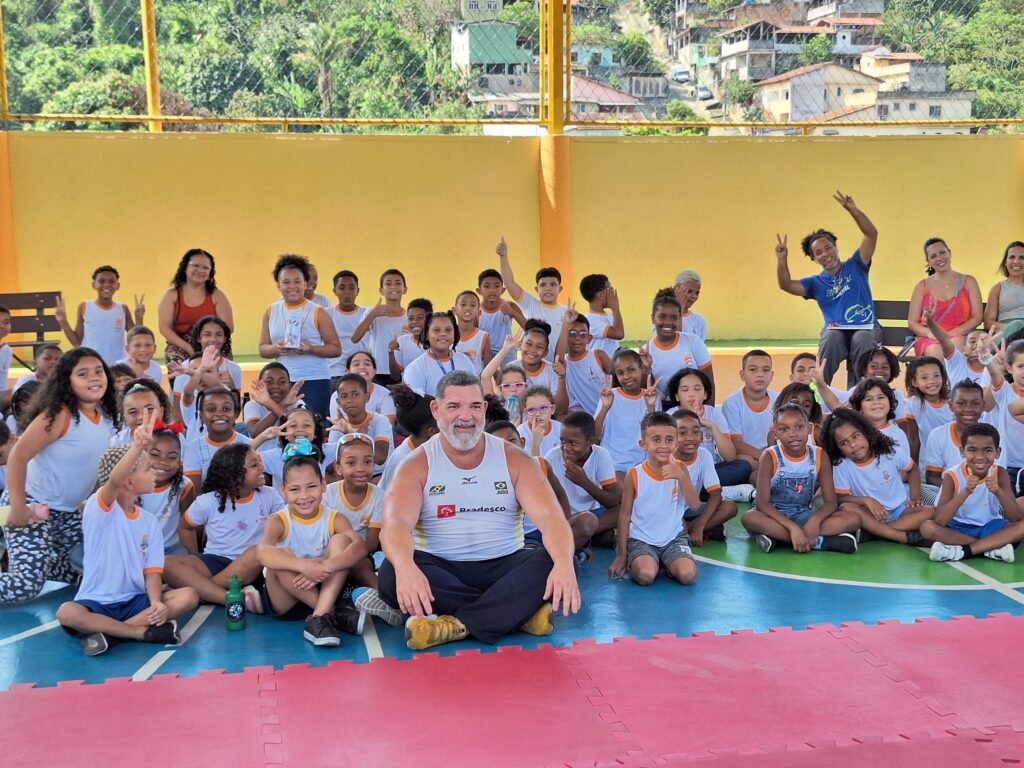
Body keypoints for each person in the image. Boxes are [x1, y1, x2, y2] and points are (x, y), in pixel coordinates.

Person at [378, 370, 581, 651]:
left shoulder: (516, 460)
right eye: (454, 406)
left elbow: (551, 518)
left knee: (558, 560)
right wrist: (405, 567)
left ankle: (454, 626)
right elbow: (395, 524)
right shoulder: (415, 465)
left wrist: (563, 565)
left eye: (474, 406)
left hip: (505, 564)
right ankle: (516, 615)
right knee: (391, 573)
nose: (466, 416)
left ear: (485, 409)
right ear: (436, 410)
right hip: (441, 567)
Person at [55, 415, 199, 656]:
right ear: (129, 482)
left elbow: (152, 570)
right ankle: (138, 632)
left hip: (135, 601)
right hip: (97, 603)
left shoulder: (148, 521)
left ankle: (110, 635)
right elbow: (114, 481)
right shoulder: (99, 510)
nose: (154, 470)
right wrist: (137, 447)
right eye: (147, 467)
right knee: (67, 613)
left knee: (188, 596)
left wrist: (155, 602)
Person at [0, 348, 120, 603]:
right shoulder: (59, 416)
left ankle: (33, 561)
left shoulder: (107, 418)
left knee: (90, 569)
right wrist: (19, 507)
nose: (94, 378)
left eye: (99, 372)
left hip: (69, 513)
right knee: (24, 587)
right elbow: (17, 457)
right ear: (67, 381)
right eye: (83, 374)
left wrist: (90, 501)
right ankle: (28, 566)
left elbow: (99, 469)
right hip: (32, 504)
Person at [256, 455, 367, 646]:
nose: (304, 496)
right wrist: (303, 566)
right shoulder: (278, 520)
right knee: (279, 559)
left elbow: (359, 547)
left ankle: (319, 617)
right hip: (288, 598)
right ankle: (330, 613)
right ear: (283, 490)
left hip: (325, 588)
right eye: (294, 489)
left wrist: (326, 566)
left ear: (323, 485)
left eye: (311, 487)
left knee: (342, 541)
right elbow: (262, 552)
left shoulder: (335, 518)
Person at [775, 191, 880, 388]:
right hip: (837, 332)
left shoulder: (856, 265)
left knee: (862, 337)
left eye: (828, 247)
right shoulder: (815, 283)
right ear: (814, 259)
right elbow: (786, 284)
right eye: (818, 253)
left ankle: (859, 394)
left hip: (866, 327)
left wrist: (854, 211)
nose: (825, 254)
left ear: (836, 247)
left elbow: (871, 234)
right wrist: (782, 261)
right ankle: (818, 392)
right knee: (830, 337)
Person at [165, 444, 285, 609]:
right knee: (167, 563)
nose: (262, 467)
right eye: (254, 465)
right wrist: (194, 555)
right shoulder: (208, 501)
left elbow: (283, 527)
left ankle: (204, 592)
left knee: (258, 551)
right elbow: (185, 527)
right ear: (234, 475)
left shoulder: (270, 495)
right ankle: (228, 597)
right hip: (215, 561)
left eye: (260, 461)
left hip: (252, 567)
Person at [741, 403, 859, 554]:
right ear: (775, 433)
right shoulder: (770, 456)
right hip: (772, 515)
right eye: (784, 429)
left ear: (809, 429)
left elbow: (831, 502)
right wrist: (792, 528)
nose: (793, 433)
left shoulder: (819, 455)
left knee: (853, 519)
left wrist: (814, 521)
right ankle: (818, 542)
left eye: (799, 427)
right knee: (749, 518)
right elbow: (762, 504)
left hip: (803, 514)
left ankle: (778, 539)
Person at [608, 411, 698, 586]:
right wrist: (621, 555)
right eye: (656, 440)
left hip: (673, 537)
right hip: (641, 539)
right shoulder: (634, 474)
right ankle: (648, 560)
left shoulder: (680, 468)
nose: (664, 445)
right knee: (645, 576)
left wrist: (681, 477)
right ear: (643, 444)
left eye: (669, 440)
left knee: (688, 576)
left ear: (676, 443)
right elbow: (625, 515)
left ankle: (668, 561)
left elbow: (694, 505)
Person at [821, 408, 933, 546]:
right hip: (870, 514)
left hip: (901, 511)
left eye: (855, 436)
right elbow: (840, 497)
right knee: (847, 507)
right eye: (844, 443)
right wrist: (867, 500)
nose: (853, 445)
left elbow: (913, 469)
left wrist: (915, 498)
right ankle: (899, 535)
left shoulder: (888, 451)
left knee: (931, 511)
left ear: (866, 432)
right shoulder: (842, 464)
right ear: (837, 448)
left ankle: (876, 532)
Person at [921, 424, 1024, 563]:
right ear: (962, 452)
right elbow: (940, 519)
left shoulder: (999, 473)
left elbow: (1015, 517)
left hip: (989, 526)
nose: (980, 457)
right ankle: (990, 548)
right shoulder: (952, 476)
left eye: (988, 450)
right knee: (927, 527)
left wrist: (998, 492)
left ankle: (965, 551)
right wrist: (966, 492)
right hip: (957, 528)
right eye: (972, 450)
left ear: (997, 452)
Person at [258, 254, 341, 419]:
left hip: (314, 379)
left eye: (297, 281)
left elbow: (335, 348)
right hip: (281, 383)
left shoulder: (318, 311)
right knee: (284, 426)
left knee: (312, 426)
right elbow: (262, 348)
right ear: (278, 285)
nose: (292, 286)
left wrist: (311, 348)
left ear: (306, 283)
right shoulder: (271, 311)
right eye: (286, 282)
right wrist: (276, 348)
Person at [543, 411, 621, 551]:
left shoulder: (601, 455)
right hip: (564, 517)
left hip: (593, 514)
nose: (566, 448)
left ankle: (586, 534)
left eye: (573, 443)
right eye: (563, 441)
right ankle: (587, 535)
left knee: (623, 510)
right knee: (584, 523)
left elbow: (613, 501)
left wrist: (584, 482)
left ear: (590, 441)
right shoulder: (552, 457)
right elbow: (547, 501)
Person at [665, 367, 750, 494]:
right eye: (685, 389)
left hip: (708, 471)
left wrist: (711, 426)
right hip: (680, 471)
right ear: (677, 396)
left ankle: (700, 490)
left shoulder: (713, 414)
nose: (691, 394)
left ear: (705, 394)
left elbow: (730, 456)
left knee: (743, 466)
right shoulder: (671, 415)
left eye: (697, 389)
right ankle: (715, 491)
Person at [157, 249, 233, 368]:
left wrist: (209, 343)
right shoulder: (171, 294)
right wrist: (188, 347)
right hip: (180, 344)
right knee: (175, 360)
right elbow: (164, 328)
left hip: (211, 342)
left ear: (210, 273)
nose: (200, 270)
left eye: (205, 268)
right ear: (185, 267)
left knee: (221, 367)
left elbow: (228, 327)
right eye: (196, 265)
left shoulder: (217, 295)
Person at [907, 238, 983, 358]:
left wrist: (951, 333)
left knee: (955, 346)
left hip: (960, 334)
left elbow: (977, 317)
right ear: (928, 261)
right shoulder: (921, 286)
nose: (939, 258)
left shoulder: (969, 282)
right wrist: (931, 333)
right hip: (930, 337)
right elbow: (912, 322)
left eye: (942, 252)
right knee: (934, 351)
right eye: (933, 256)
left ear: (950, 253)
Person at [54, 266, 144, 365]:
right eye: (101, 281)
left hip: (118, 365)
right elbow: (77, 342)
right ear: (94, 285)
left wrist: (139, 317)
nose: (106, 285)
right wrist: (63, 321)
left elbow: (135, 338)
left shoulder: (122, 308)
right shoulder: (85, 306)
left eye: (111, 281)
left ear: (117, 286)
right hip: (92, 364)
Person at [672, 409, 737, 545]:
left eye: (695, 432)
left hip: (692, 509)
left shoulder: (704, 455)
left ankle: (691, 530)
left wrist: (700, 525)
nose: (690, 437)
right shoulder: (666, 458)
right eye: (682, 433)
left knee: (729, 507)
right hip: (669, 509)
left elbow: (715, 494)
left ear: (701, 437)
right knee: (677, 526)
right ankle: (698, 529)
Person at [497, 237, 567, 362]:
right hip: (530, 364)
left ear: (560, 288)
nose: (548, 289)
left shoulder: (566, 312)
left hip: (555, 368)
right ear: (536, 289)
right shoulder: (529, 303)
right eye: (543, 285)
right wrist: (503, 257)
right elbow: (509, 282)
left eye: (553, 284)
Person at [924, 380, 1003, 487]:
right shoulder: (937, 435)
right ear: (951, 405)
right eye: (961, 403)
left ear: (983, 405)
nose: (969, 409)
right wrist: (960, 492)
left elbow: (998, 475)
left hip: (984, 493)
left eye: (976, 403)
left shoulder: (991, 435)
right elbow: (932, 477)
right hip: (949, 494)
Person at [595, 350, 660, 477]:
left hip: (642, 464)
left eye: (631, 370)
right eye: (620, 373)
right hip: (613, 463)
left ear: (641, 369)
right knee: (623, 487)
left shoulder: (650, 396)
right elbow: (594, 435)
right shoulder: (609, 396)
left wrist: (651, 406)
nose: (626, 376)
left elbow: (656, 435)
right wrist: (605, 407)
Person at [641, 291, 714, 404]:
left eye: (674, 317)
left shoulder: (693, 342)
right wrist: (646, 368)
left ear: (680, 319)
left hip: (693, 407)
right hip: (663, 410)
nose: (668, 322)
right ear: (653, 318)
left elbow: (709, 382)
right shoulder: (646, 351)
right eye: (662, 316)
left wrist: (707, 414)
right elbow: (645, 390)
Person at [722, 349, 778, 481]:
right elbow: (734, 443)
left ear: (772, 375)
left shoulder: (779, 399)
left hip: (773, 455)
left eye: (765, 370)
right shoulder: (732, 403)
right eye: (753, 370)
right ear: (742, 375)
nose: (760, 375)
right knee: (744, 465)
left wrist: (771, 458)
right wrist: (764, 457)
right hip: (746, 456)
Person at [138, 423, 194, 554]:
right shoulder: (132, 485)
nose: (163, 461)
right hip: (138, 549)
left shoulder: (184, 487)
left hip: (171, 550)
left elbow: (188, 527)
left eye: (172, 457)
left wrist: (194, 558)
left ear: (180, 461)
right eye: (155, 454)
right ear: (143, 455)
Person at [182, 387, 251, 490]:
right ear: (201, 416)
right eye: (211, 409)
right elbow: (193, 492)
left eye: (226, 409)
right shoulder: (193, 448)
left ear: (235, 414)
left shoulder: (249, 444)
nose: (219, 414)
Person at [350, 269, 408, 385]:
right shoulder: (372, 312)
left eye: (398, 283)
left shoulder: (409, 316)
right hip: (379, 371)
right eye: (388, 283)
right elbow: (355, 338)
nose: (393, 287)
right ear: (381, 290)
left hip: (403, 371)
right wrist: (373, 315)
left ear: (405, 289)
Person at [327, 373, 393, 475]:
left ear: (367, 397)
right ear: (338, 402)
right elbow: (332, 467)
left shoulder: (380, 421)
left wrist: (354, 435)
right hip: (351, 478)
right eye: (344, 396)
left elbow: (380, 458)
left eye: (355, 394)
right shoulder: (338, 428)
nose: (349, 400)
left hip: (380, 476)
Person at [377, 385, 438, 491]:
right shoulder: (401, 461)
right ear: (431, 431)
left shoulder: (437, 447)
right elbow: (392, 501)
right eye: (441, 418)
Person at [401, 310, 476, 397]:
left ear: (454, 333)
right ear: (426, 335)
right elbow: (416, 404)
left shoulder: (465, 361)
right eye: (436, 330)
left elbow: (474, 392)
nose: (443, 334)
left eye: (448, 330)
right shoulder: (415, 368)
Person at [554, 312, 611, 416]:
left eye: (583, 334)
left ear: (589, 339)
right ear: (566, 336)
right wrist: (565, 324)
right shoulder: (564, 364)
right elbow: (558, 359)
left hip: (608, 413)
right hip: (585, 419)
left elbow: (618, 379)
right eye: (572, 333)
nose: (577, 338)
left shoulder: (599, 356)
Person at [902, 356, 953, 464]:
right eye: (924, 377)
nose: (932, 381)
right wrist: (913, 467)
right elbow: (913, 439)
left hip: (953, 461)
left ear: (943, 378)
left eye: (936, 376)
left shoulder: (953, 401)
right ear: (914, 382)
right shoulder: (912, 404)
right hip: (928, 463)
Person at [327, 270, 369, 391]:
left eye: (351, 288)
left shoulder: (367, 313)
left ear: (358, 291)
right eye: (342, 288)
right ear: (334, 291)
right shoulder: (325, 314)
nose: (347, 292)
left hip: (361, 374)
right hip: (333, 374)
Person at [330, 351, 397, 424]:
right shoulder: (337, 395)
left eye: (367, 364)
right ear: (348, 371)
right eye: (356, 364)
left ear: (374, 371)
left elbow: (389, 424)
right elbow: (340, 425)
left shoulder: (385, 394)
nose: (362, 367)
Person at [477, 268, 525, 366]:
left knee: (510, 378)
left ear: (502, 290)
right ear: (479, 291)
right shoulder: (476, 309)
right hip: (484, 352)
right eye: (487, 286)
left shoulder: (509, 305)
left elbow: (527, 326)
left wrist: (512, 312)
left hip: (506, 351)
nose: (492, 290)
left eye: (496, 286)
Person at [244, 362, 304, 438]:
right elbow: (255, 433)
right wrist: (283, 404)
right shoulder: (252, 405)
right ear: (259, 385)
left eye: (282, 382)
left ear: (289, 386)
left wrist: (271, 403)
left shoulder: (297, 404)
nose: (276, 386)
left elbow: (299, 431)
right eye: (269, 381)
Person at [579, 274, 624, 357]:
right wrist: (615, 307)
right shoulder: (590, 320)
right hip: (598, 369)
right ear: (600, 295)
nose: (612, 293)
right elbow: (619, 334)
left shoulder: (611, 316)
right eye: (609, 289)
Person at [387, 298, 433, 379]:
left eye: (420, 317)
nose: (414, 322)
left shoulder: (436, 342)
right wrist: (391, 352)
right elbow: (395, 376)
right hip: (408, 389)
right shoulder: (401, 341)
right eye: (410, 318)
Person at [985, 241, 1024, 333]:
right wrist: (1014, 328)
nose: (1016, 261)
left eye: (1022, 257)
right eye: (1012, 257)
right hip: (1007, 332)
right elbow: (988, 323)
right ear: (1005, 262)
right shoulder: (997, 289)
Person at [453, 290, 492, 375]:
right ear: (454, 310)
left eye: (473, 305)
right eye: (463, 304)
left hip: (473, 385)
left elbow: (488, 368)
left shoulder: (483, 337)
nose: (468, 308)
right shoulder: (447, 335)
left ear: (479, 312)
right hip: (449, 384)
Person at [518, 385, 562, 458]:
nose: (538, 414)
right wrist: (535, 444)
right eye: (531, 410)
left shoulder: (561, 429)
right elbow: (530, 467)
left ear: (552, 409)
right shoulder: (520, 433)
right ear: (525, 413)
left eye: (543, 408)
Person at [673, 270, 707, 342]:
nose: (694, 296)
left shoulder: (699, 320)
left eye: (697, 293)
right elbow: (673, 342)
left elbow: (699, 350)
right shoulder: (662, 316)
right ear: (676, 289)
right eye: (689, 291)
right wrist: (680, 306)